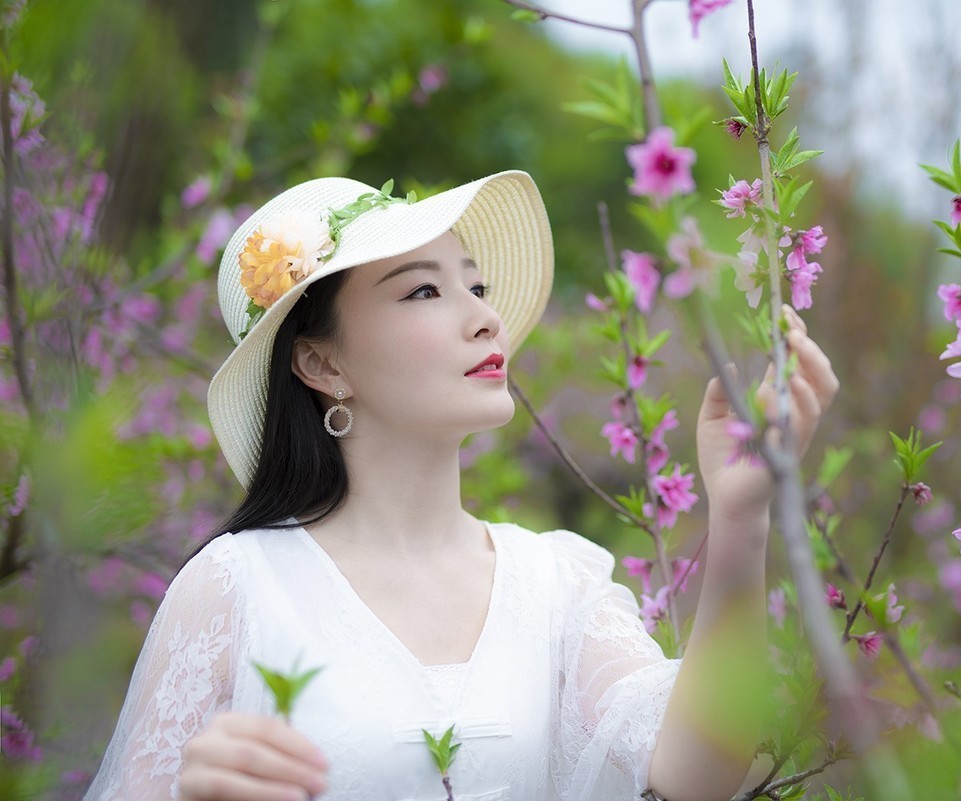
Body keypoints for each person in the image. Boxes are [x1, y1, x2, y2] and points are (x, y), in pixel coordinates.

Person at [81, 170, 838, 801]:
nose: (484, 317)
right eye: (422, 292)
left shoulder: (557, 584)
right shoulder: (234, 587)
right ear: (322, 365)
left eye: (475, 284)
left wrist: (742, 515)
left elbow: (699, 766)